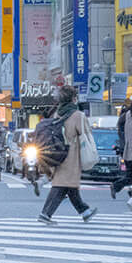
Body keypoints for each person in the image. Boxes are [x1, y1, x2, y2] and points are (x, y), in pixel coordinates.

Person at [36, 86, 97, 224]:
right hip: (72, 155)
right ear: (73, 98)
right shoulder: (77, 115)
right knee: (62, 185)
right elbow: (85, 134)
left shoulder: (59, 113)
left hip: (59, 153)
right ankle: (45, 214)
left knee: (70, 186)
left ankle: (85, 212)